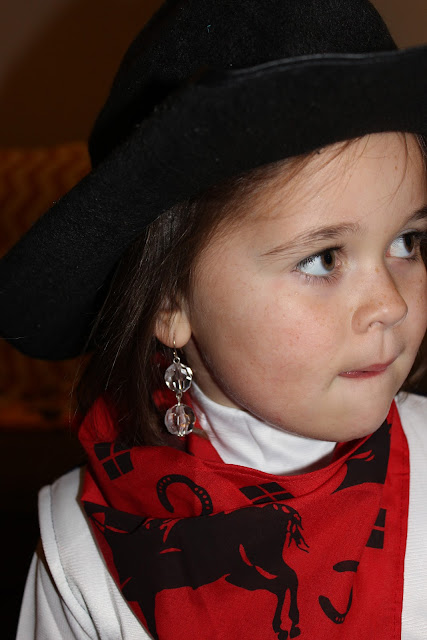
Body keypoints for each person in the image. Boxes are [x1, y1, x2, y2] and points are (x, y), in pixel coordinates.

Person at [1, 0, 426, 638]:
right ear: (170, 303)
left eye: (407, 243)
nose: (392, 304)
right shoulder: (80, 552)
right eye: (323, 258)